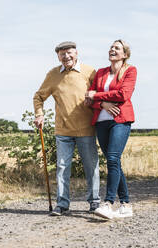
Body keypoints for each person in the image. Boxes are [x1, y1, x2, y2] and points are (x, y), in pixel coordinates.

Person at [33, 41, 101, 216]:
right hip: (63, 130)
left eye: (69, 53)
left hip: (86, 129)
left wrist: (94, 98)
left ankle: (94, 202)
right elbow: (39, 96)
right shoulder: (53, 74)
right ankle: (62, 204)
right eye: (62, 54)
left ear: (76, 53)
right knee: (62, 167)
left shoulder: (90, 72)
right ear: (58, 56)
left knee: (91, 166)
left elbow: (100, 93)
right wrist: (39, 114)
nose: (66, 56)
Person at [85, 39, 137, 219]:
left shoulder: (130, 71)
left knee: (113, 158)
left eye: (117, 48)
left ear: (125, 54)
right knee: (113, 161)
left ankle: (108, 203)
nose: (112, 50)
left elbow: (123, 94)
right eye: (111, 47)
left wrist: (98, 96)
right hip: (102, 121)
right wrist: (104, 104)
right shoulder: (100, 73)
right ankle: (126, 204)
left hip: (120, 120)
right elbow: (88, 99)